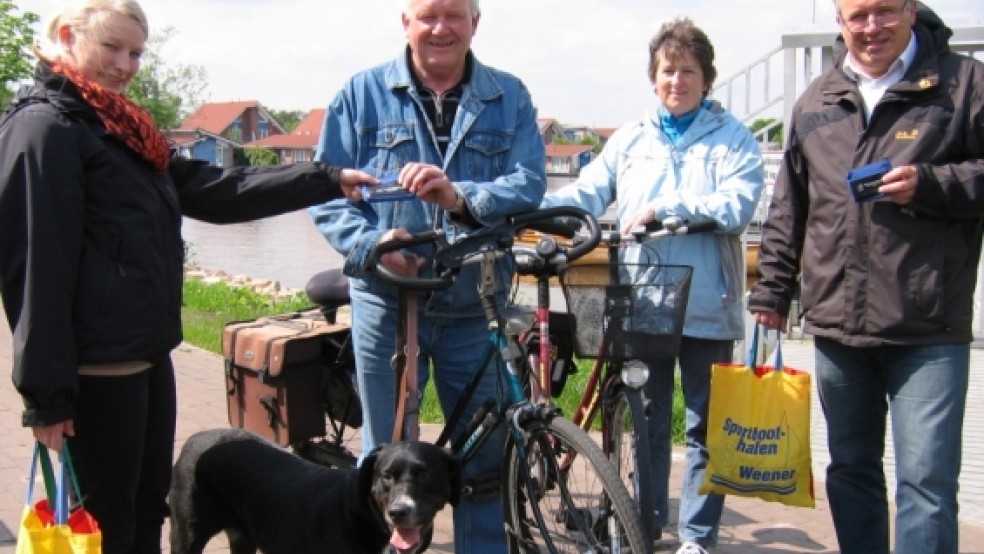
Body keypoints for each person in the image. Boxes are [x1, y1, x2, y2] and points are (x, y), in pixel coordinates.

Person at [0, 1, 377, 552]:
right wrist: (48, 397)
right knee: (105, 523)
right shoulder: (45, 130)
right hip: (97, 370)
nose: (126, 65)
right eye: (112, 48)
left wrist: (326, 180)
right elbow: (36, 270)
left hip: (147, 357)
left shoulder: (121, 128)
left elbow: (215, 189)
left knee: (147, 507)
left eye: (136, 52)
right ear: (65, 35)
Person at [307, 0, 545, 552]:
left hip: (472, 303)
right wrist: (373, 245)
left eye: (454, 15)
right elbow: (325, 192)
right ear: (406, 22)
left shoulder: (509, 97)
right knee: (382, 460)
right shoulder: (359, 94)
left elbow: (530, 181)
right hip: (385, 305)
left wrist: (460, 196)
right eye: (428, 15)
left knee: (482, 459)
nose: (441, 28)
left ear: (475, 24)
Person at [748, 0, 984, 552]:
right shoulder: (818, 98)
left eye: (883, 12)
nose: (871, 28)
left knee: (926, 485)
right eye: (858, 16)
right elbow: (790, 207)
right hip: (836, 327)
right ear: (839, 21)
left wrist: (931, 185)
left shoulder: (964, 84)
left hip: (925, 326)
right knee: (850, 471)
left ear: (909, 9)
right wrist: (774, 289)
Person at [541, 18, 763, 554]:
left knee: (705, 425)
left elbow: (739, 203)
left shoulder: (733, 137)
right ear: (653, 77)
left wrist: (674, 210)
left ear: (706, 78)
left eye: (688, 71)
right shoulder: (633, 137)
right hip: (645, 301)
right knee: (646, 422)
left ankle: (698, 538)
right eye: (668, 71)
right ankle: (647, 524)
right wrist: (539, 214)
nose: (677, 81)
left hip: (709, 301)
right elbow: (591, 190)